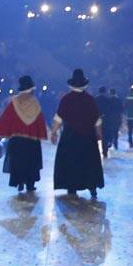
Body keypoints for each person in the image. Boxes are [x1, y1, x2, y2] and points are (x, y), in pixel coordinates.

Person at [50, 69, 105, 198]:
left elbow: (58, 118)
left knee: (71, 162)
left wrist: (53, 132)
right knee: (89, 163)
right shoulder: (90, 100)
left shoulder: (66, 99)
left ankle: (72, 187)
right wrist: (99, 134)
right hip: (88, 137)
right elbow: (97, 120)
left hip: (70, 136)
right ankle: (92, 187)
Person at [0, 76, 48, 192]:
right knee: (31, 162)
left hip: (17, 139)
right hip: (31, 139)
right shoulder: (34, 103)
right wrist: (43, 133)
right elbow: (40, 120)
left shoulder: (14, 102)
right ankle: (30, 184)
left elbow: (6, 118)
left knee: (18, 162)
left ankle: (19, 182)